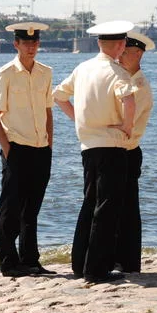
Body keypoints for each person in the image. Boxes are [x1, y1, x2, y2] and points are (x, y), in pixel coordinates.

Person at [52, 20, 136, 283]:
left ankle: (80, 263)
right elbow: (129, 100)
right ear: (121, 45)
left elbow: (58, 95)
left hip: (88, 145)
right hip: (111, 144)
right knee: (107, 207)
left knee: (89, 203)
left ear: (99, 43)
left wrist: (78, 118)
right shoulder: (117, 72)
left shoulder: (83, 68)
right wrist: (127, 126)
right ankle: (96, 269)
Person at [0, 22, 56, 277]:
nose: (31, 47)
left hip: (41, 148)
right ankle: (9, 263)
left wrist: (49, 144)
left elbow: (48, 111)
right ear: (16, 44)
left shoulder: (45, 72)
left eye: (35, 42)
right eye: (26, 43)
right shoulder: (6, 73)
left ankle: (30, 260)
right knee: (11, 209)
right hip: (17, 148)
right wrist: (8, 150)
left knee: (32, 209)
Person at [114, 31, 155, 273]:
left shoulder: (139, 87)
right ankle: (122, 259)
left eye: (125, 52)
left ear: (138, 54)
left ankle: (127, 261)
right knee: (121, 207)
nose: (119, 56)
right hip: (123, 150)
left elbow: (125, 122)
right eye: (119, 52)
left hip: (127, 151)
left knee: (127, 209)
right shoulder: (125, 81)